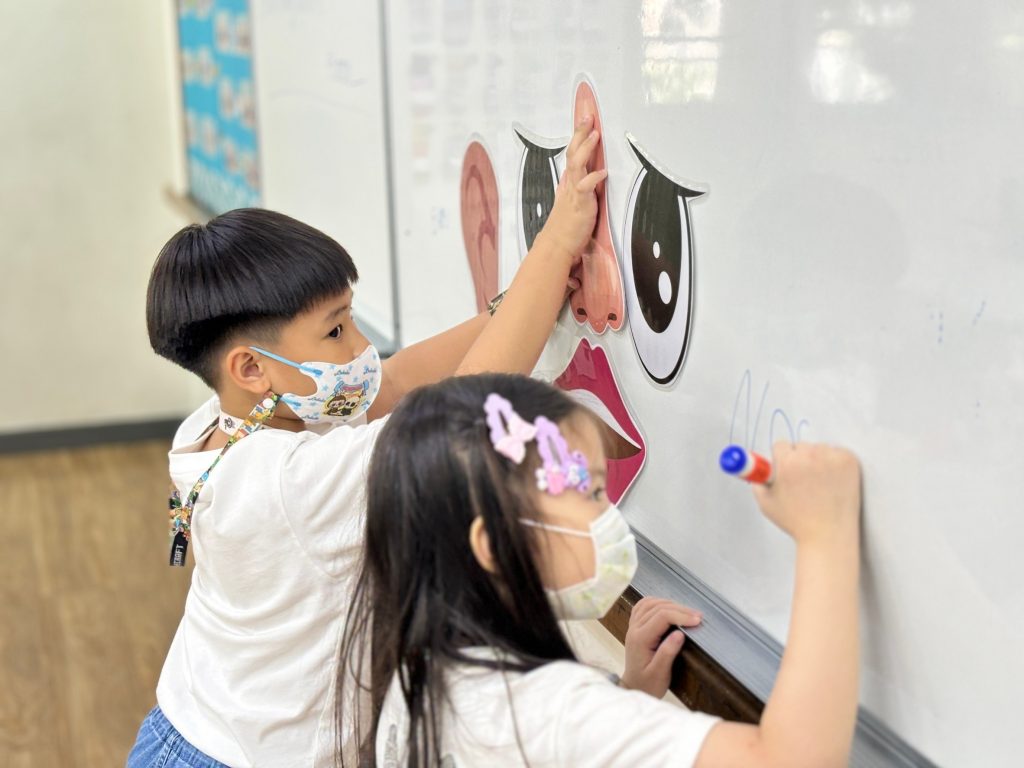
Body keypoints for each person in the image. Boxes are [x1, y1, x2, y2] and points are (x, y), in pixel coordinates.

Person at [127, 119, 609, 767]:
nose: (359, 349)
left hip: (190, 722)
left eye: (351, 319)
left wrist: (526, 296)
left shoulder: (228, 420)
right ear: (251, 368)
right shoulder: (291, 481)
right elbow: (460, 411)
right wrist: (555, 246)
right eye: (335, 332)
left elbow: (401, 379)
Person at [339, 373, 862, 767]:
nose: (609, 513)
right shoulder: (544, 712)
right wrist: (825, 534)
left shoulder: (423, 665)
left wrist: (628, 696)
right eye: (590, 491)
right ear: (494, 544)